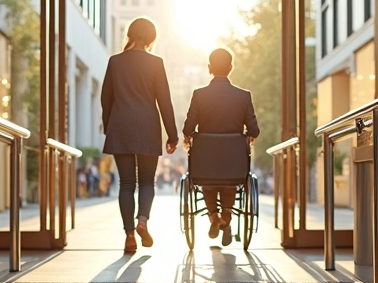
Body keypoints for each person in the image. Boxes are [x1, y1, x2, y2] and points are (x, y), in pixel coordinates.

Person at [101, 16, 179, 253]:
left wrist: (109, 128)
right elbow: (164, 100)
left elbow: (106, 99)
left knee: (126, 184)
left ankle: (129, 236)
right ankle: (142, 220)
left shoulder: (115, 62)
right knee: (146, 181)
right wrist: (172, 135)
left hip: (120, 127)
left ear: (130, 35)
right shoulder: (156, 63)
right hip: (147, 126)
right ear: (151, 38)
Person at [182, 47, 260, 246]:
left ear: (209, 68)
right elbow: (254, 129)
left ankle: (214, 217)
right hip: (234, 161)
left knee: (209, 179)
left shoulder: (199, 95)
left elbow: (188, 127)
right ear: (230, 68)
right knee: (230, 180)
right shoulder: (243, 96)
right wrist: (249, 136)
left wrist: (186, 138)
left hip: (205, 162)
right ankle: (225, 217)